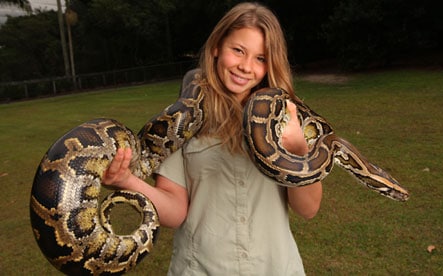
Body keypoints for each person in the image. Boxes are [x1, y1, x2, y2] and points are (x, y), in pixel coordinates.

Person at [103, 2, 322, 275]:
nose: (245, 66)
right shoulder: (179, 123)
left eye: (260, 58)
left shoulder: (287, 118)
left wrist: (298, 149)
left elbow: (309, 209)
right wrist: (126, 180)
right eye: (238, 51)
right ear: (217, 47)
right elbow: (175, 212)